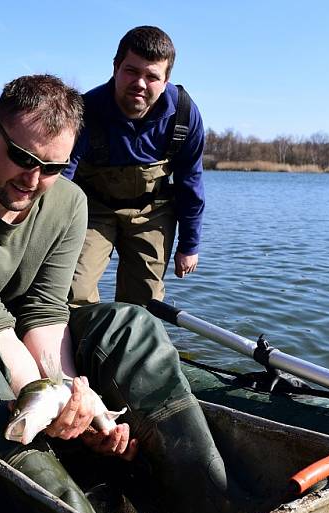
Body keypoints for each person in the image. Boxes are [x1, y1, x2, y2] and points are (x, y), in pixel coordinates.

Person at [0, 74, 243, 513]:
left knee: (129, 322)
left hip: (13, 348)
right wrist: (66, 406)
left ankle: (212, 504)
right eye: (22, 158)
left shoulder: (70, 202)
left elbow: (46, 316)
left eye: (51, 167)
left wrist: (80, 402)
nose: (32, 180)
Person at [65, 25, 206, 306]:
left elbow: (190, 182)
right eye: (132, 71)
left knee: (145, 301)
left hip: (152, 211)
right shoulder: (86, 110)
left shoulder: (185, 115)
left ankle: (131, 346)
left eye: (152, 76)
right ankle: (79, 343)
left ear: (166, 80)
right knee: (72, 289)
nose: (140, 83)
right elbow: (62, 180)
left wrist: (189, 245)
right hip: (94, 210)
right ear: (116, 67)